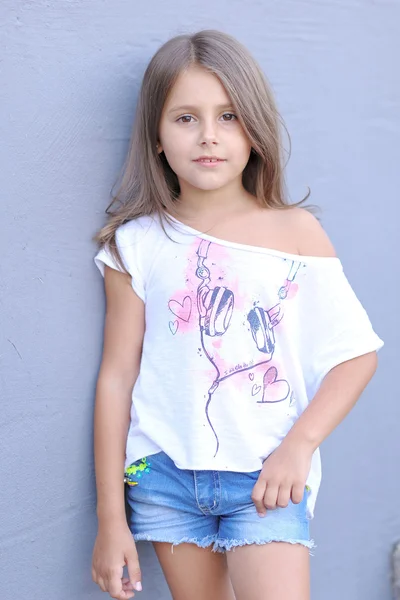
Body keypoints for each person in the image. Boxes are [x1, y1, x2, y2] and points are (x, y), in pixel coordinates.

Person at [91, 29, 384, 600]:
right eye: (185, 118)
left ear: (254, 129)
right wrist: (110, 519)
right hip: (163, 479)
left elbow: (356, 355)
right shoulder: (136, 244)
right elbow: (116, 377)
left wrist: (298, 446)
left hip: (266, 479)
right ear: (155, 134)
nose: (208, 136)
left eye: (228, 117)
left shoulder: (294, 232)